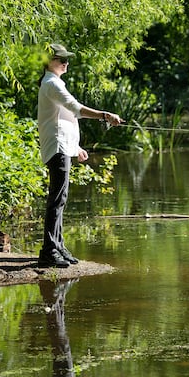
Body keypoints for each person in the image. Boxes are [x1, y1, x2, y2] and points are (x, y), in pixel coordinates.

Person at [37, 43, 124, 268]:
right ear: (48, 62)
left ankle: (57, 246)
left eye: (66, 59)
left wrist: (76, 147)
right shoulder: (51, 84)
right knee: (57, 199)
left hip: (62, 147)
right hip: (56, 148)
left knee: (61, 198)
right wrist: (105, 115)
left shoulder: (55, 83)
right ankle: (49, 251)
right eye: (61, 59)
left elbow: (64, 118)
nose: (66, 63)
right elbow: (75, 108)